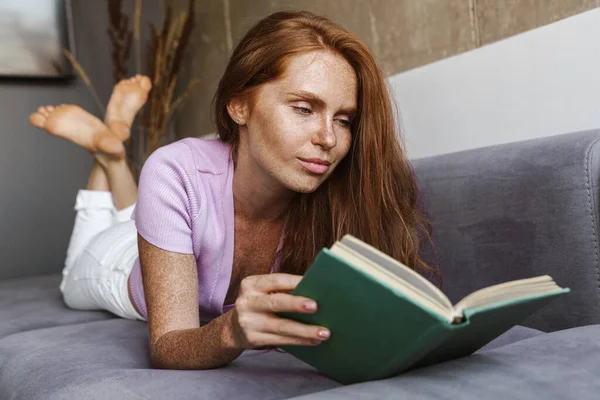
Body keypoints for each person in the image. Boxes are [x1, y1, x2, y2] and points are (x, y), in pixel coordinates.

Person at [29, 11, 440, 370]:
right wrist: (229, 332)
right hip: (117, 263)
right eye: (303, 109)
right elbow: (168, 347)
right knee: (84, 258)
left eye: (345, 119)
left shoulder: (336, 194)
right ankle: (109, 158)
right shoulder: (175, 169)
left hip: (168, 220)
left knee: (132, 212)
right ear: (239, 106)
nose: (328, 138)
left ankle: (111, 154)